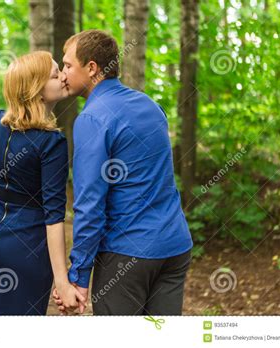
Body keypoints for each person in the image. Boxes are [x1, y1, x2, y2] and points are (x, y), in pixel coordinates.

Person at [53, 30, 193, 315]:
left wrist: (79, 276)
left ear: (92, 68)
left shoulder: (92, 118)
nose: (63, 75)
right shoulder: (151, 106)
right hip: (175, 248)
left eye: (68, 66)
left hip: (127, 256)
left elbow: (90, 205)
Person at [0, 51, 86, 315]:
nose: (64, 76)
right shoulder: (52, 142)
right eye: (56, 74)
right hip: (25, 253)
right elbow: (54, 217)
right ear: (36, 89)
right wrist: (62, 282)